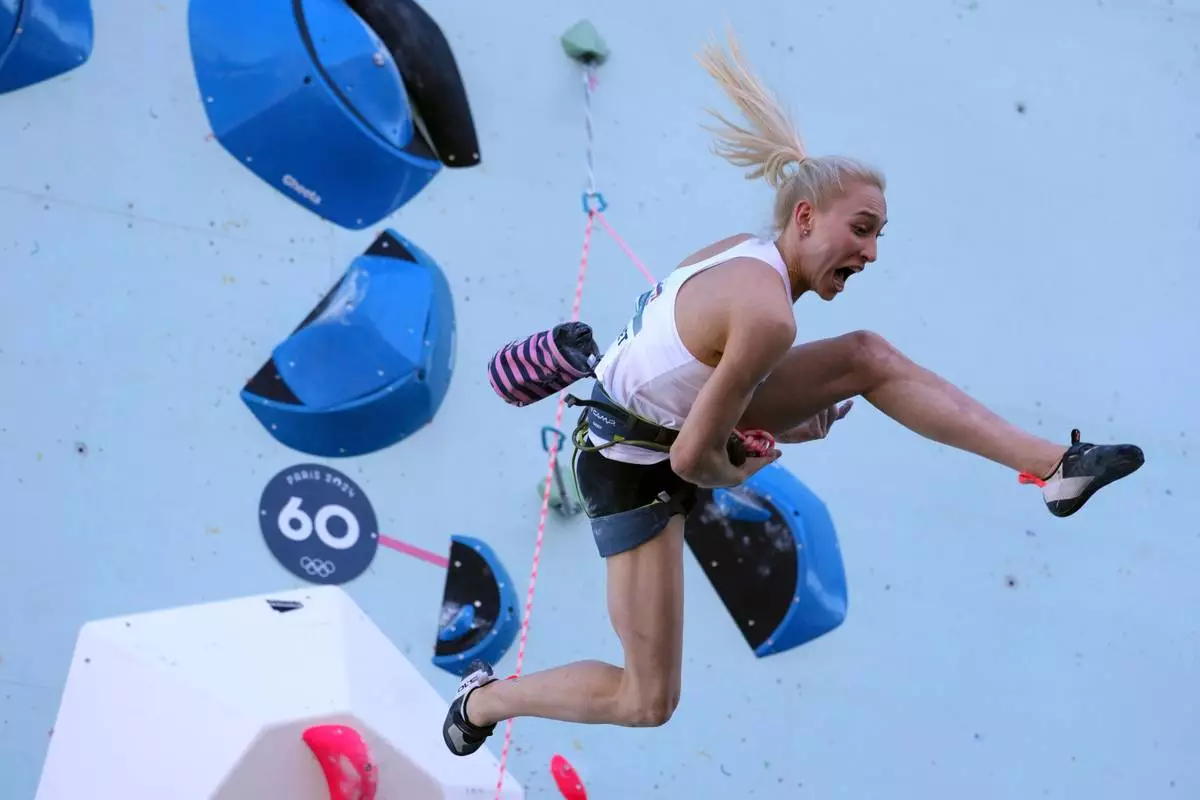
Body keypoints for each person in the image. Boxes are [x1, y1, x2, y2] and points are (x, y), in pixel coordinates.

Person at [442, 28, 1145, 755]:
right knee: (646, 699)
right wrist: (744, 462)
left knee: (867, 357)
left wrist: (764, 422)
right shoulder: (769, 314)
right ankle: (483, 702)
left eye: (880, 236)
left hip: (656, 422)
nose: (872, 253)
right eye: (862, 230)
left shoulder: (740, 258)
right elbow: (691, 458)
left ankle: (1055, 467)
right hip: (631, 463)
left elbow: (692, 372)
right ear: (805, 219)